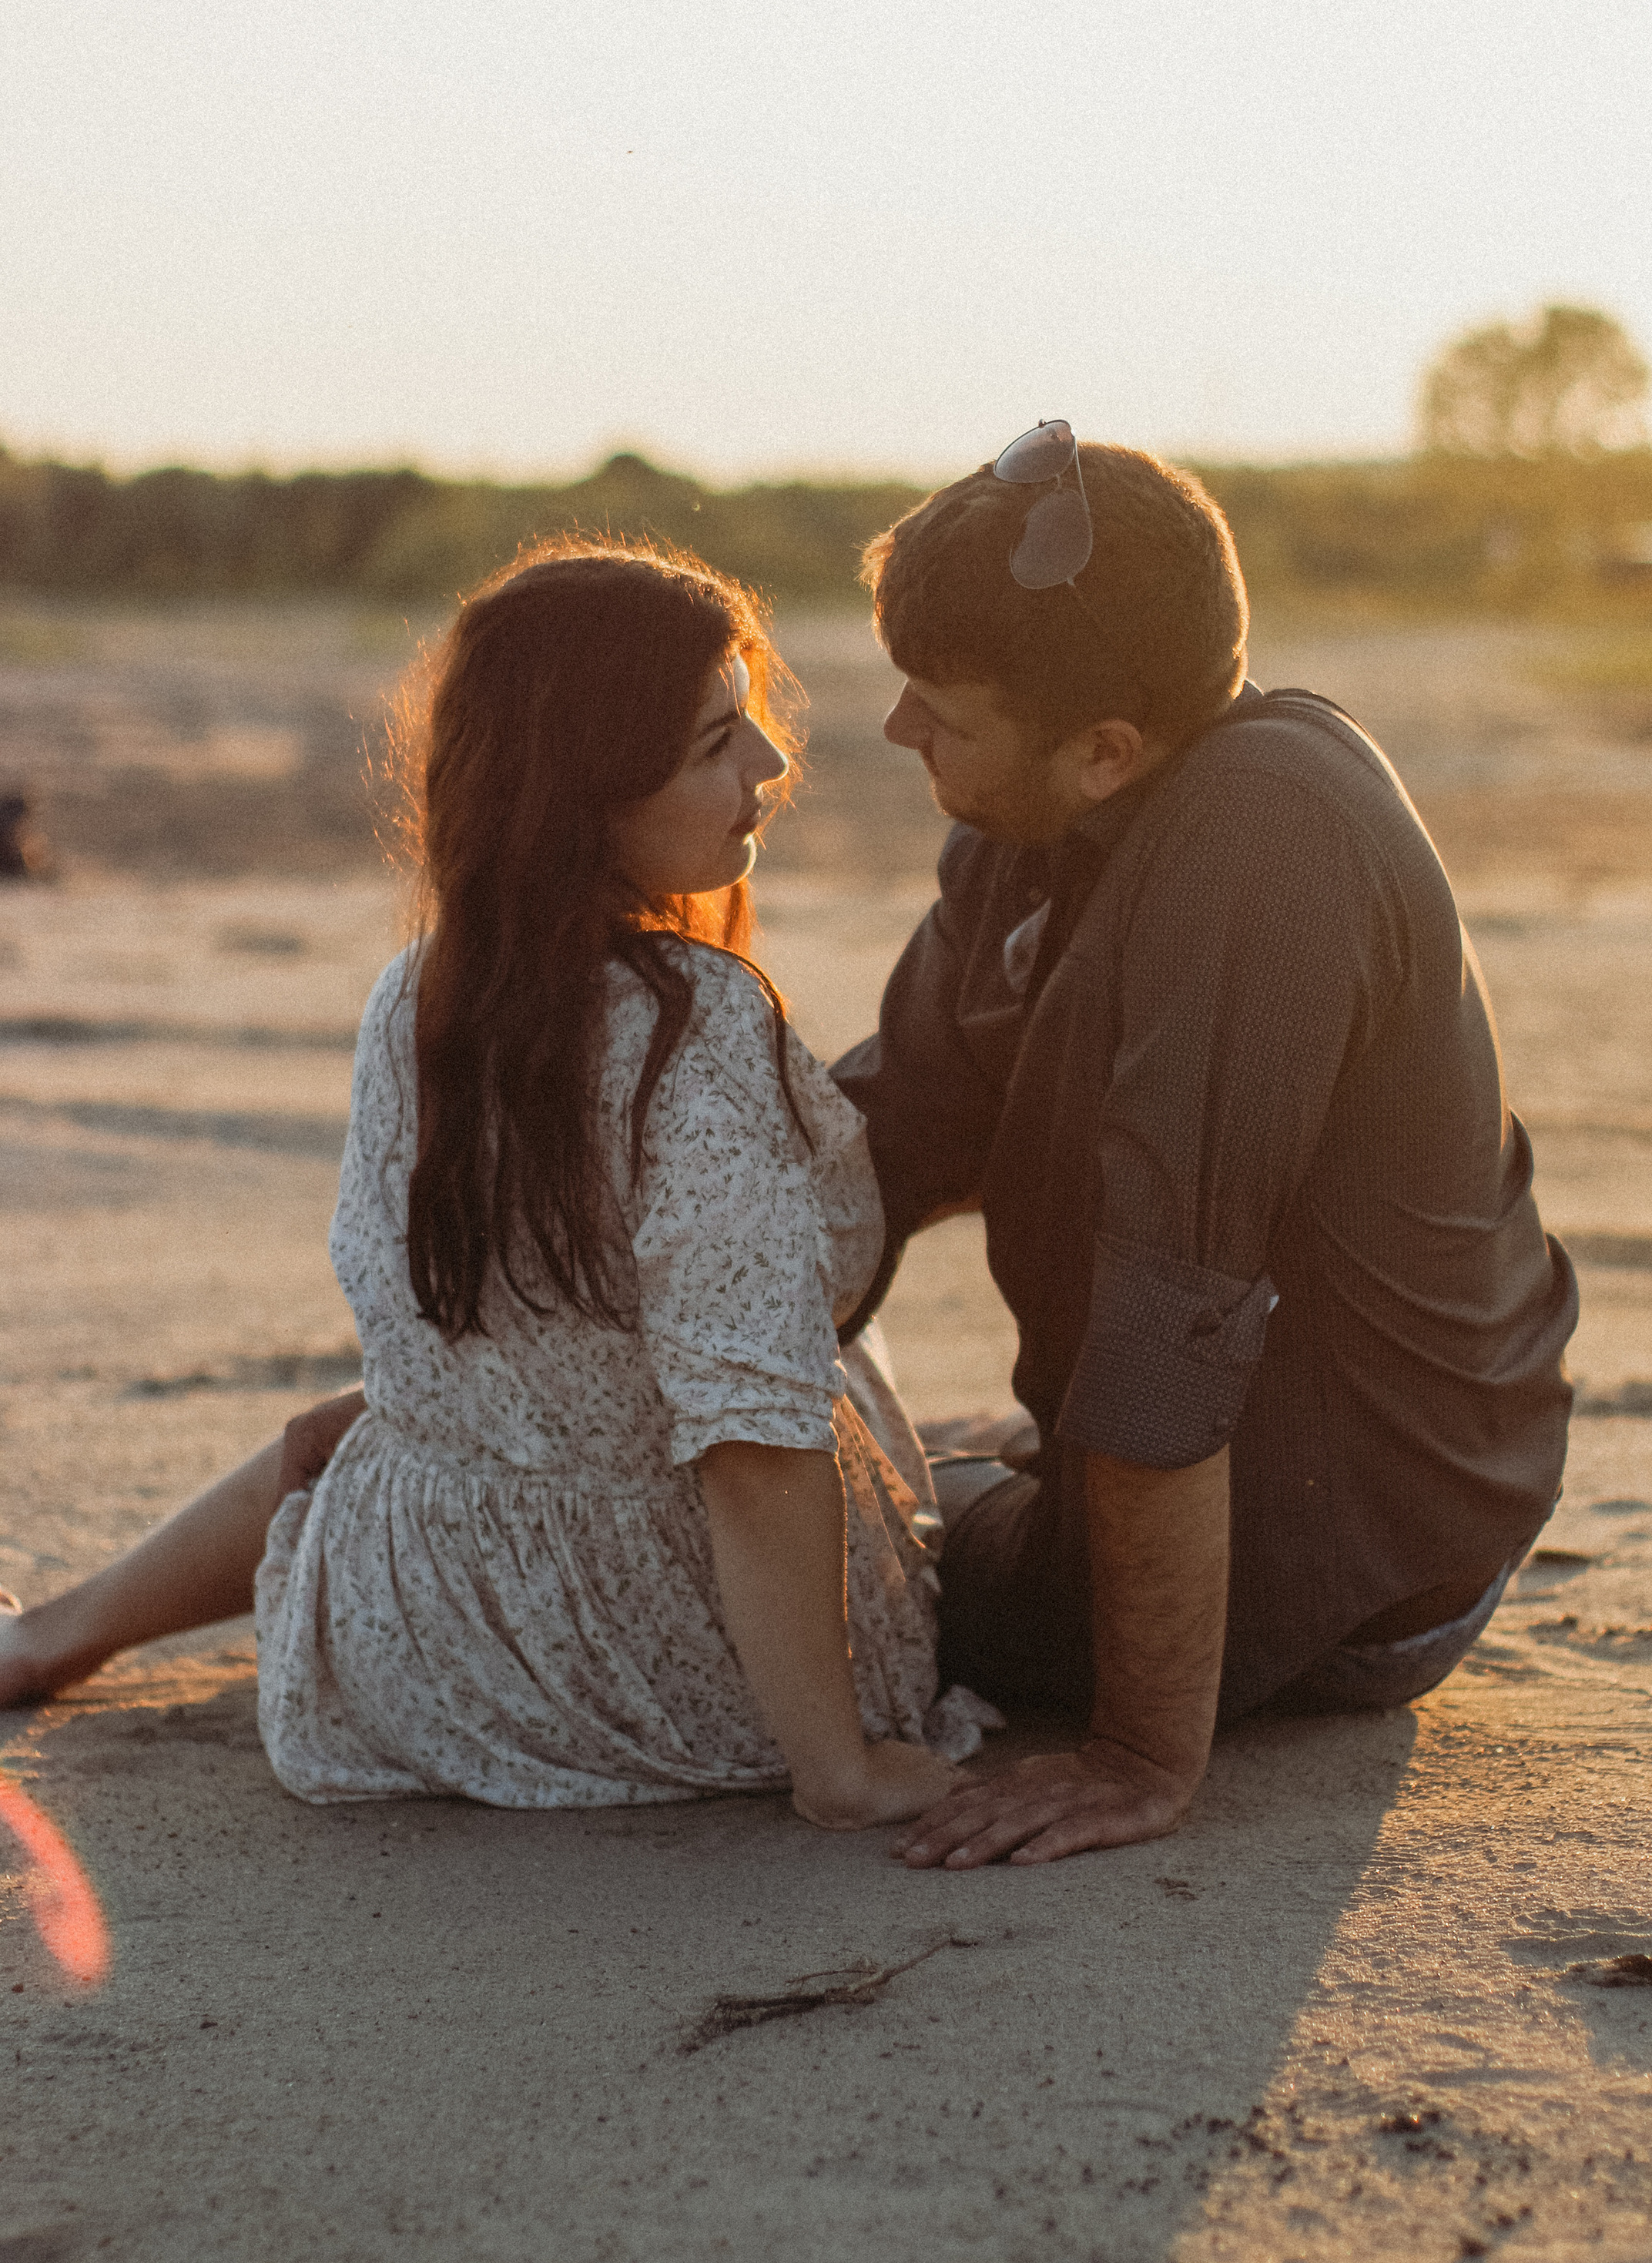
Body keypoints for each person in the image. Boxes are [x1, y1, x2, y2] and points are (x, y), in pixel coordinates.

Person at [0, 539, 973, 1828]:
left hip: (418, 1643)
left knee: (367, 1424)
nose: (771, 769)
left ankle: (48, 1639)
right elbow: (749, 1447)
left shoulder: (426, 991)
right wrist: (836, 1767)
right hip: (652, 1669)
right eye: (715, 744)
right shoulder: (694, 1036)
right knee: (824, 1373)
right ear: (585, 798)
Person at [828, 424, 1578, 1871]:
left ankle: (1018, 1527)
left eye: (943, 710)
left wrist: (1138, 1754)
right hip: (1263, 1466)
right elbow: (897, 1128)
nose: (900, 734)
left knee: (834, 1550)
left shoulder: (1266, 838)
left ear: (1107, 748)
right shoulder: (1030, 826)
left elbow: (1175, 1321)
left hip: (1365, 1557)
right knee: (784, 1468)